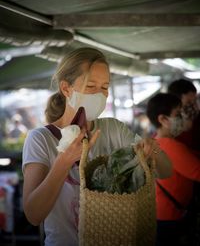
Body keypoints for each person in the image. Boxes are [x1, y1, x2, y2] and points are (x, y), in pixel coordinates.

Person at [22, 47, 172, 246]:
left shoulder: (113, 129)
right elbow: (33, 215)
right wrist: (64, 160)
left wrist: (152, 149)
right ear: (66, 89)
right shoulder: (41, 139)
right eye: (90, 86)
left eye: (105, 87)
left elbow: (166, 171)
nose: (100, 95)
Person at [146, 92, 200, 246]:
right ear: (163, 119)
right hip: (171, 216)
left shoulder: (158, 141)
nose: (182, 117)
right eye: (178, 114)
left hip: (160, 213)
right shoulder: (172, 147)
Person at [168, 78, 200, 151]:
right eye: (188, 102)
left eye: (195, 101)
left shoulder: (197, 118)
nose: (194, 106)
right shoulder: (168, 127)